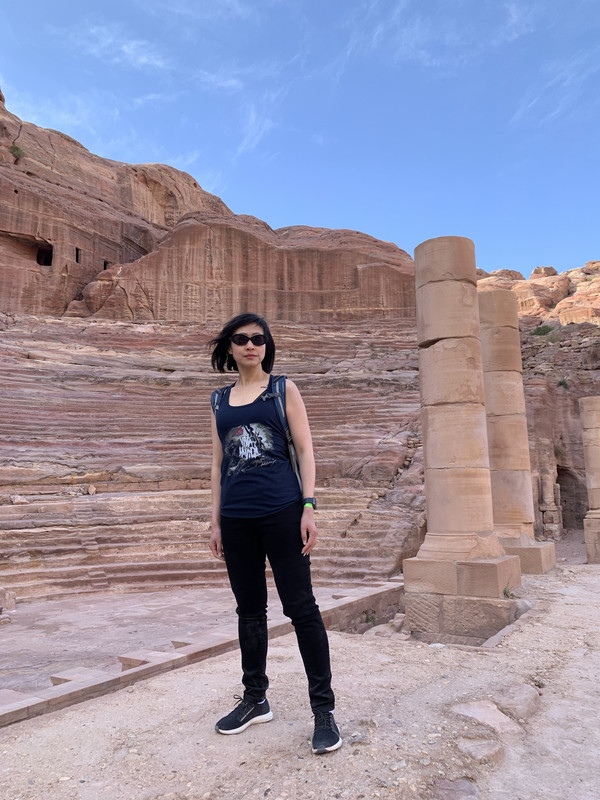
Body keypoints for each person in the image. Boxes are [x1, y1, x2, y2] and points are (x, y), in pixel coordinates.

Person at [208, 312, 342, 755]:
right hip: (236, 518)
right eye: (241, 339)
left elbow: (305, 449)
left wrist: (309, 506)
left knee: (301, 609)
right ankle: (255, 699)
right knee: (249, 612)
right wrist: (215, 521)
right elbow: (218, 464)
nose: (250, 345)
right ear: (230, 347)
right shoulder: (219, 400)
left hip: (282, 512)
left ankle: (323, 711)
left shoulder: (283, 389)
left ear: (267, 346)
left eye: (258, 338)